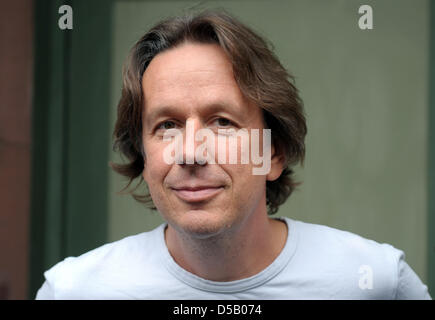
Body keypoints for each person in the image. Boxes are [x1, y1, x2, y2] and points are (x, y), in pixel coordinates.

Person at [36, 10, 431, 300]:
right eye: (167, 125)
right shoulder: (76, 290)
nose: (190, 152)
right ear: (143, 153)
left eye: (222, 122)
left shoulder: (373, 282)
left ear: (273, 153)